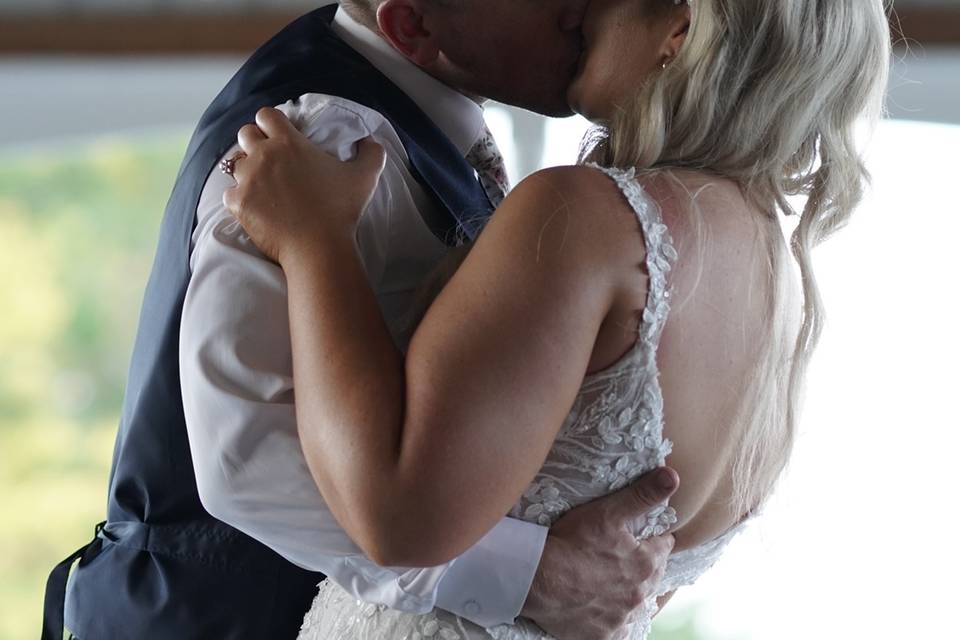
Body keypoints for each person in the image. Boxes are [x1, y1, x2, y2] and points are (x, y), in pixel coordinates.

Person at [222, 0, 891, 638]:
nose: (577, 9)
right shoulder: (781, 291)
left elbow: (396, 520)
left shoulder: (587, 219)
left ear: (678, 33)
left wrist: (314, 240)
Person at [43, 2, 682, 639]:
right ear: (413, 26)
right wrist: (532, 578)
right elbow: (248, 461)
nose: (583, 9)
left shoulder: (419, 112)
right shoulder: (321, 137)